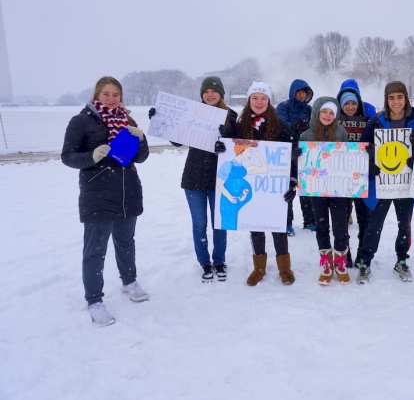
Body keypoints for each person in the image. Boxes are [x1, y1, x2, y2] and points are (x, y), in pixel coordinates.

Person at [61, 76, 150, 327]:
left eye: (116, 95)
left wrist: (141, 138)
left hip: (127, 192)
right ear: (97, 95)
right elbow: (68, 156)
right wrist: (91, 156)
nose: (111, 99)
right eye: (106, 94)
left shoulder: (127, 121)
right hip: (97, 194)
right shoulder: (81, 121)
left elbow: (141, 158)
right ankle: (94, 300)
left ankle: (129, 282)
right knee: (95, 250)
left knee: (125, 241)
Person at [149, 76, 238, 283]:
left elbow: (238, 146)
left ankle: (219, 261)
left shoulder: (231, 116)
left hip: (220, 178)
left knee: (219, 224)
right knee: (199, 224)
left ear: (221, 94)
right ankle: (204, 262)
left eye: (213, 91)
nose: (209, 94)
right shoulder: (192, 113)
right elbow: (177, 140)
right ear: (201, 94)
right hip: (193, 177)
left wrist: (226, 140)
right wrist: (159, 119)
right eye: (206, 91)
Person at [219, 82, 297, 286]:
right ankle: (259, 268)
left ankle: (284, 268)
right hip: (251, 184)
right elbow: (229, 153)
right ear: (249, 100)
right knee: (255, 227)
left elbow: (292, 157)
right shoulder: (240, 126)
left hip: (275, 187)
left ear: (269, 101)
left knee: (278, 227)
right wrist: (221, 145)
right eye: (255, 98)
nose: (259, 102)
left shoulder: (281, 125)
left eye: (263, 98)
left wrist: (292, 183)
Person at [356, 81, 414, 284]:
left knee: (405, 225)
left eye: (399, 97)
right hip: (381, 183)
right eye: (391, 97)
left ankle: (402, 260)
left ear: (406, 98)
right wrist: (370, 164)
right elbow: (364, 147)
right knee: (374, 225)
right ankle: (365, 262)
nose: (396, 102)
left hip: (406, 183)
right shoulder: (376, 121)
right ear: (386, 99)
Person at [299, 97, 351, 285]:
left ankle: (340, 262)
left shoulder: (341, 132)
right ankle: (326, 263)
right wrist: (296, 156)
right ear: (317, 113)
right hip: (316, 191)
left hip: (338, 190)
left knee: (340, 228)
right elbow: (301, 164)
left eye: (332, 113)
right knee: (321, 227)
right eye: (324, 112)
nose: (328, 116)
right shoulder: (306, 136)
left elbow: (348, 159)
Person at [336, 79, 373, 266]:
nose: (350, 107)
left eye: (353, 103)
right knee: (342, 220)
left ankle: (362, 254)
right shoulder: (333, 120)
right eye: (346, 103)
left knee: (364, 219)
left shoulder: (368, 118)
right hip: (341, 177)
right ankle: (345, 254)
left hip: (363, 177)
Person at [276, 79, 315, 235]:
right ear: (292, 93)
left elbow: (316, 127)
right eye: (298, 92)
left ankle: (310, 221)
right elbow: (280, 125)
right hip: (287, 154)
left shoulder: (310, 110)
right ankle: (286, 223)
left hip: (306, 154)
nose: (301, 95)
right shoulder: (283, 107)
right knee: (288, 188)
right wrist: (294, 126)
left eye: (304, 92)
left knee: (306, 188)